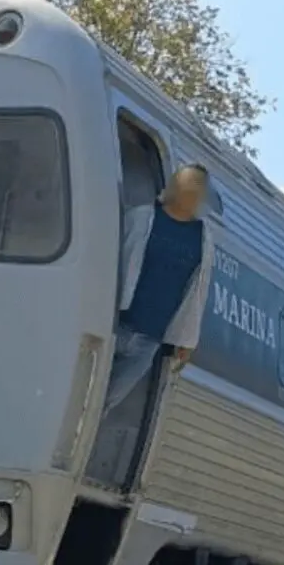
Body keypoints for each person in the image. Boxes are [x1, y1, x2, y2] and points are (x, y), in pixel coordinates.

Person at [103, 163, 215, 416]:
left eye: (197, 188)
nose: (190, 193)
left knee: (106, 402)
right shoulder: (141, 217)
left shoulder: (203, 239)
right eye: (187, 185)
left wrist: (187, 340)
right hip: (114, 322)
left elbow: (197, 291)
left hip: (148, 340)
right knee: (83, 387)